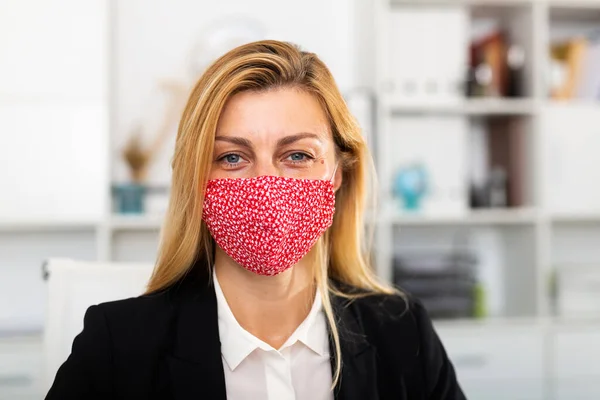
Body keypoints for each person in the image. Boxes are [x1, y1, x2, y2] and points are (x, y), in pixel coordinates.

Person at [45, 40, 465, 400]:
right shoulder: (116, 346)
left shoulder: (403, 333)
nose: (266, 183)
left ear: (337, 172)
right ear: (197, 178)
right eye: (232, 157)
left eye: (297, 155)